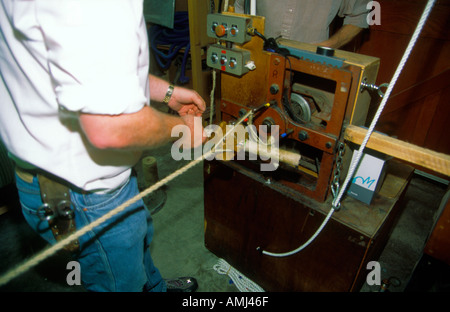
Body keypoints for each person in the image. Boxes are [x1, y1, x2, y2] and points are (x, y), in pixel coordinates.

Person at [0, 1, 205, 292]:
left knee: (139, 248)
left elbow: (94, 72)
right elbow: (112, 127)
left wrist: (167, 93)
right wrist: (182, 130)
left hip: (93, 181)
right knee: (119, 282)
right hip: (83, 194)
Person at [234, 0, 371, 48]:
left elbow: (362, 15)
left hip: (310, 72)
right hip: (258, 62)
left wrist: (329, 45)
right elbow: (240, 7)